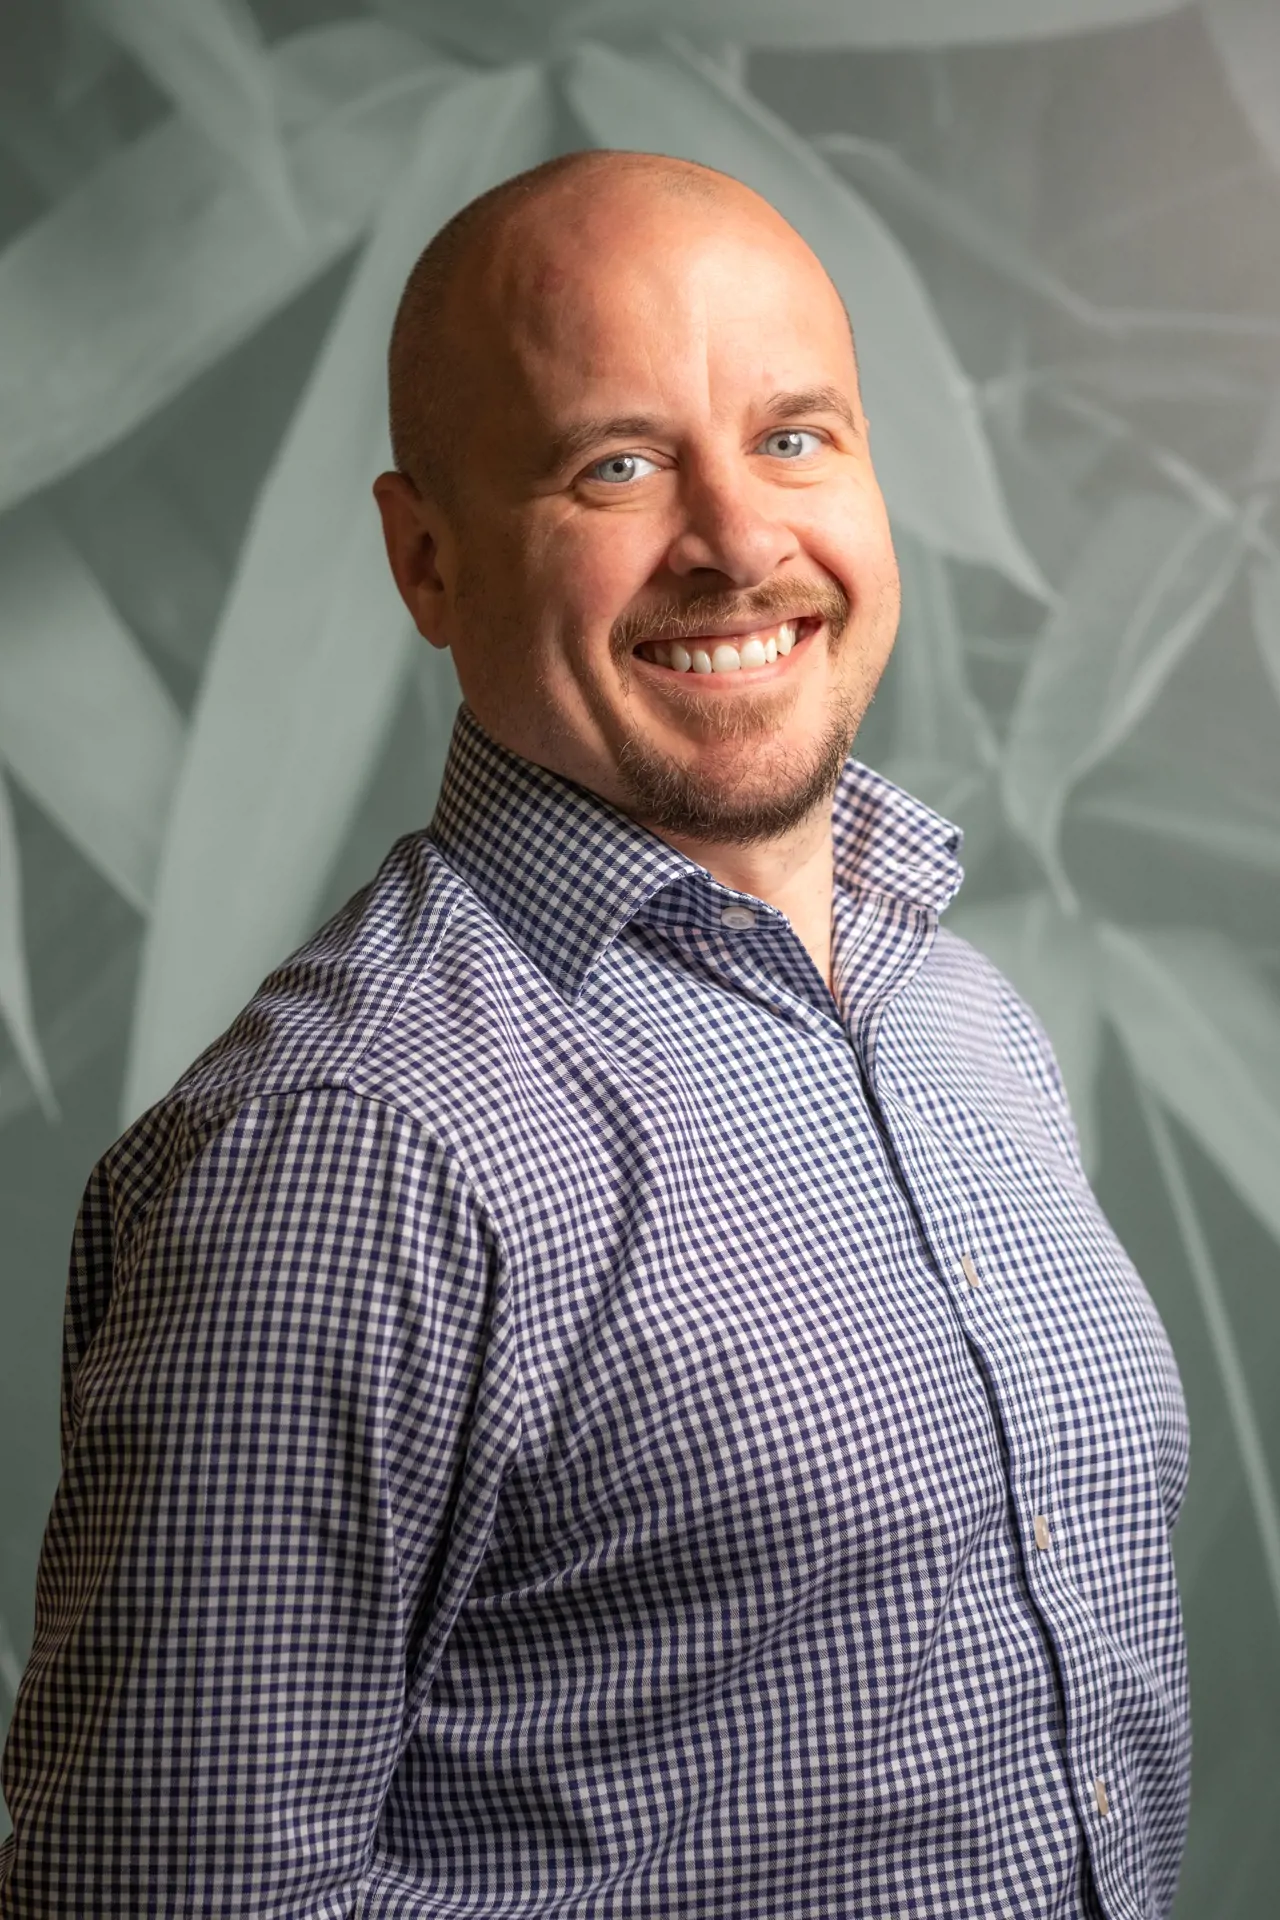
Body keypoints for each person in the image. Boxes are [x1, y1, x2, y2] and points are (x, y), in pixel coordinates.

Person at [0, 151, 1189, 1920]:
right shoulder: (348, 1152)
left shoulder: (963, 1018)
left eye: (795, 438)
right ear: (427, 558)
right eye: (616, 466)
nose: (735, 540)